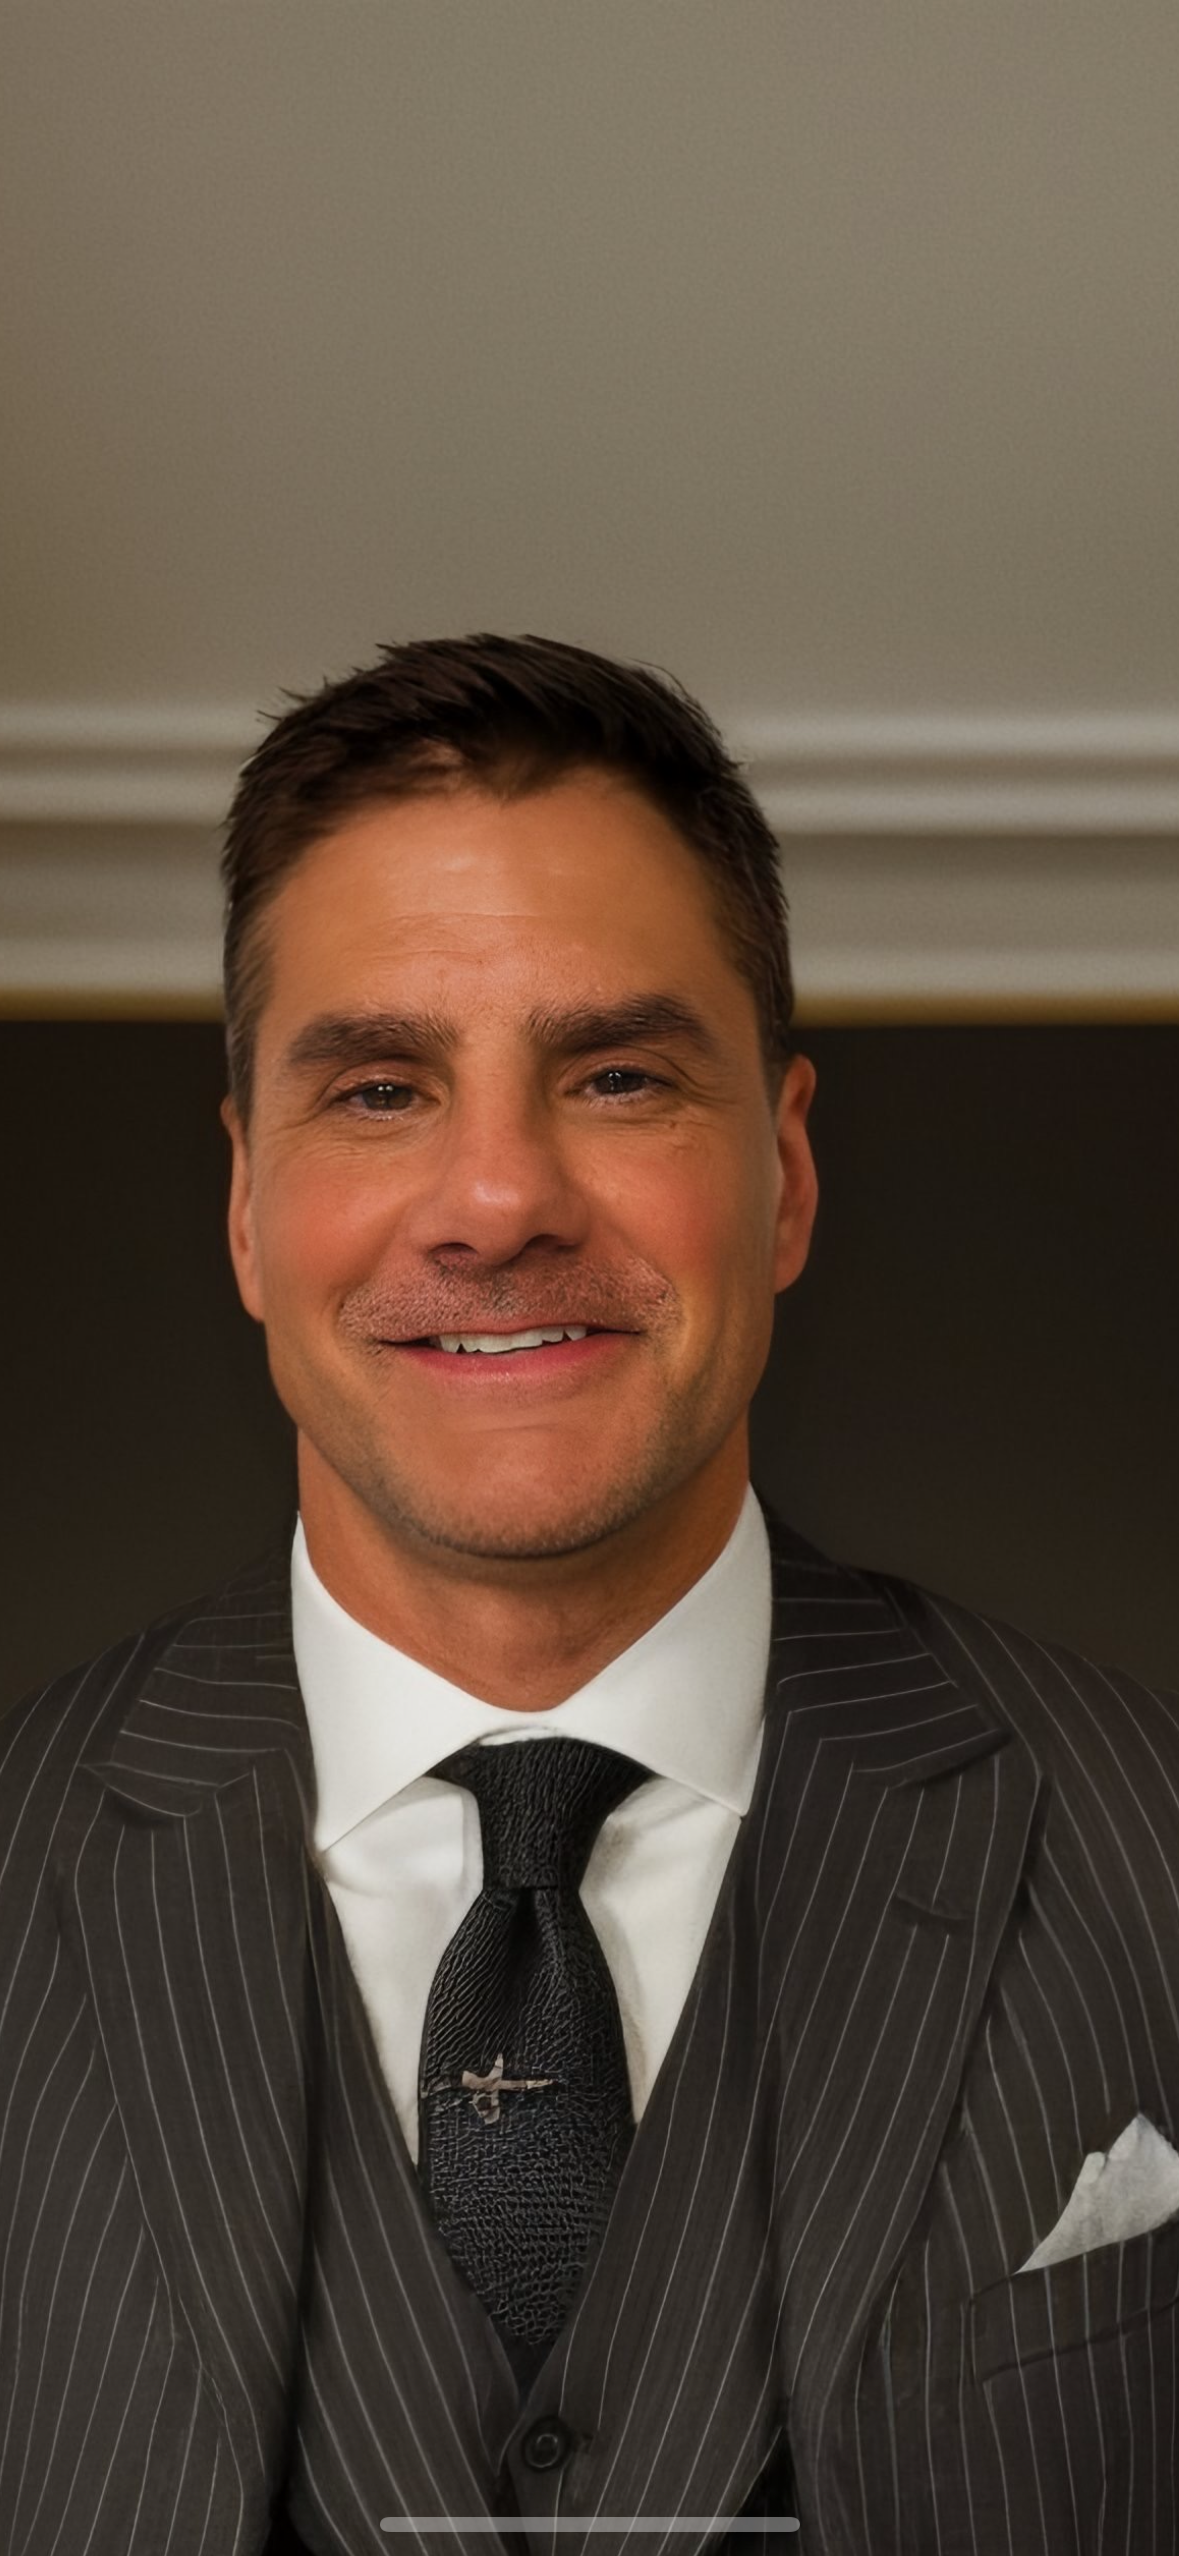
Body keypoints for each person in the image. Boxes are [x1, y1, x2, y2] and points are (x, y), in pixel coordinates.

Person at [1, 634, 1177, 2556]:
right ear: (241, 1206)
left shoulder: (1157, 1852)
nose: (496, 1199)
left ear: (783, 1174)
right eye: (378, 1089)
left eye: (616, 1075)